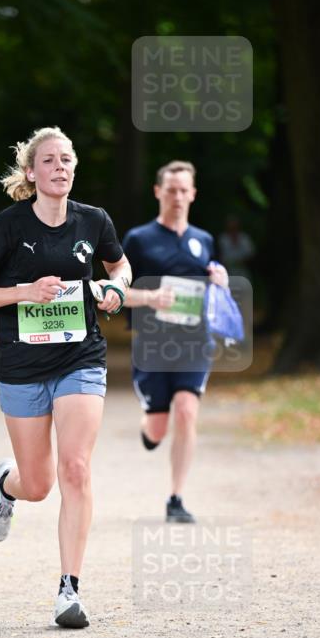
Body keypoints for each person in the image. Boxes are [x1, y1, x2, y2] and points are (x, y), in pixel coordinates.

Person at [0, 126, 131, 628]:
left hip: (81, 358)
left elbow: (121, 267)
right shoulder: (7, 227)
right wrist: (23, 292)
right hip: (22, 364)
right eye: (50, 160)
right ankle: (6, 487)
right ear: (32, 173)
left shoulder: (94, 221)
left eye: (67, 159)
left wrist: (115, 290)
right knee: (38, 484)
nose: (60, 167)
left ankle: (69, 591)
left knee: (75, 469)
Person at [121, 161, 229, 524]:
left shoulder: (205, 240)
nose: (178, 197)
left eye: (185, 190)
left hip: (194, 342)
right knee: (158, 427)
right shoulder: (138, 240)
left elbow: (217, 291)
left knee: (186, 409)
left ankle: (176, 498)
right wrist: (150, 297)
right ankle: (148, 429)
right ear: (158, 192)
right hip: (152, 345)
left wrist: (222, 280)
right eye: (171, 190)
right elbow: (117, 293)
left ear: (193, 194)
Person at [218, 215, 255, 282]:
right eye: (230, 226)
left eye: (234, 226)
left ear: (238, 226)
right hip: (227, 273)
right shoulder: (223, 238)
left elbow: (251, 255)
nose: (232, 228)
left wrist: (242, 262)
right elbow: (220, 255)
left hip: (243, 273)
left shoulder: (245, 238)